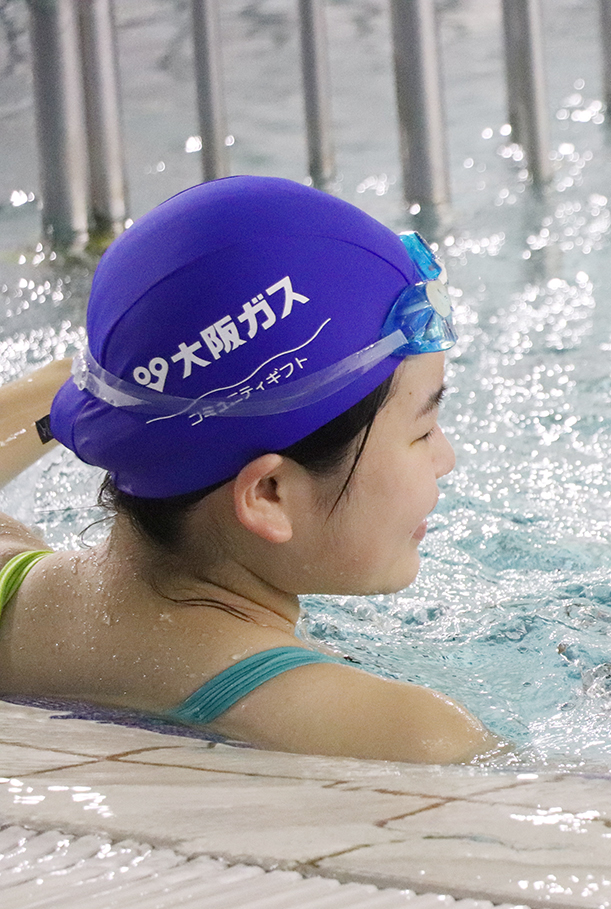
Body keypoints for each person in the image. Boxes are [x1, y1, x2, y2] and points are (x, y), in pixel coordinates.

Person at [0, 176, 499, 764]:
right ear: (268, 494)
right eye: (422, 430)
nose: (446, 459)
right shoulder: (410, 734)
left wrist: (123, 391)